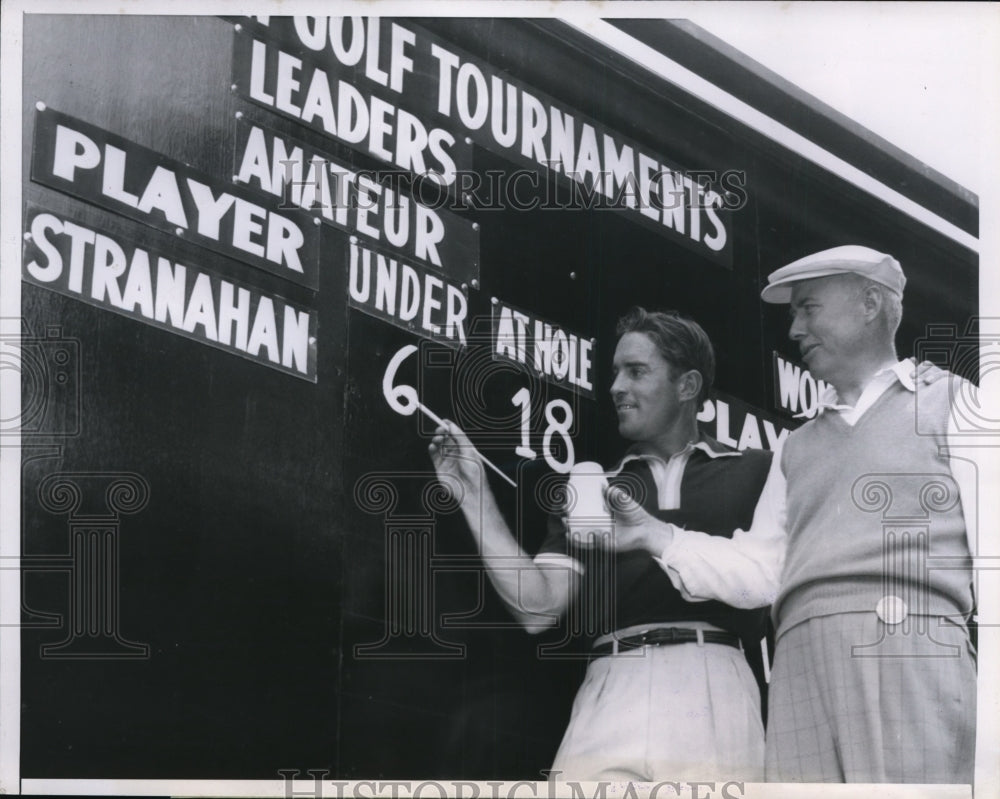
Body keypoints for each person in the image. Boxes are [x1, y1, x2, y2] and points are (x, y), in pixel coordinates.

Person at [619, 246, 977, 783]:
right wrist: (656, 535)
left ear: (870, 303)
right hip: (800, 668)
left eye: (808, 308)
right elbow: (761, 572)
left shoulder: (956, 403)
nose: (794, 331)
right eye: (794, 315)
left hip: (915, 653)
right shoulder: (796, 446)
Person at [428, 308, 772, 782]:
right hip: (612, 683)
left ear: (688, 385)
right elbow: (537, 609)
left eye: (636, 371)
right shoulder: (591, 486)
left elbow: (772, 579)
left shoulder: (756, 470)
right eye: (615, 372)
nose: (615, 387)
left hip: (715, 682)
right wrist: (474, 496)